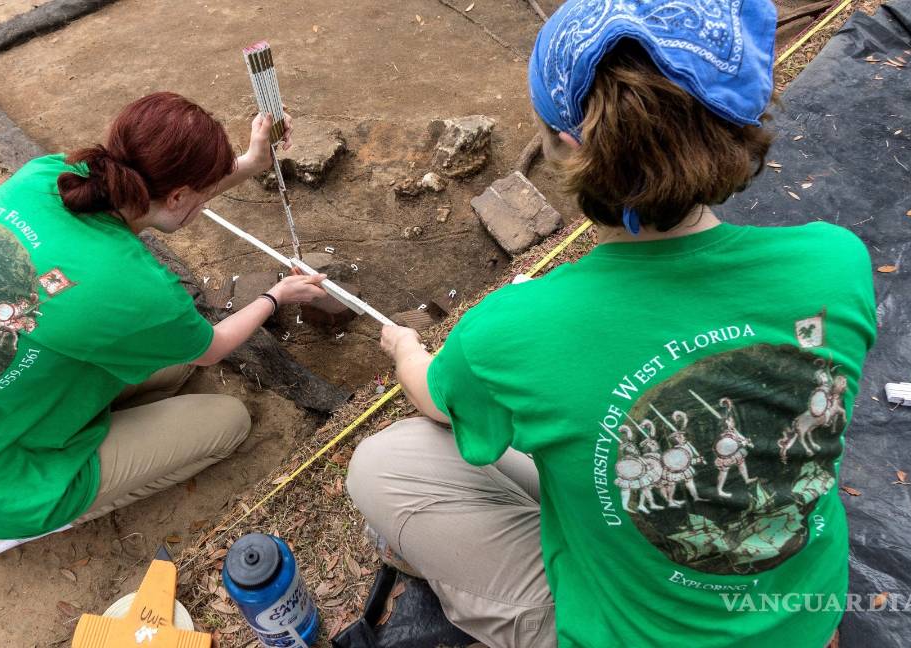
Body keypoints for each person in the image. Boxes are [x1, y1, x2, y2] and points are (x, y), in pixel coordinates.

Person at [346, 1, 876, 646]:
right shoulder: (835, 262)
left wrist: (405, 349)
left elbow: (433, 399)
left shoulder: (511, 332)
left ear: (567, 146)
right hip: (803, 620)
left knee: (385, 462)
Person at [0, 92, 327, 561]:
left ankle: (75, 429)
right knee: (228, 421)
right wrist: (276, 296)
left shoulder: (47, 175)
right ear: (177, 196)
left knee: (172, 370)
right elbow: (212, 349)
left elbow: (169, 198)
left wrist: (253, 161)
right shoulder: (135, 287)